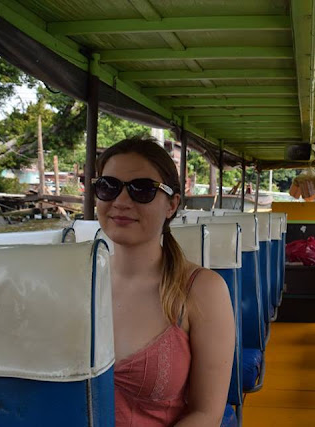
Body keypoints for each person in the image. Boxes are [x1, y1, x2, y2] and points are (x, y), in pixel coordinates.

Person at [94, 136, 235, 426]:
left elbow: (206, 413)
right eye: (108, 187)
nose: (121, 202)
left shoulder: (202, 291)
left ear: (171, 205)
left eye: (142, 190)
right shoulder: (72, 282)